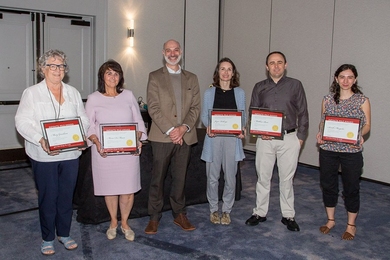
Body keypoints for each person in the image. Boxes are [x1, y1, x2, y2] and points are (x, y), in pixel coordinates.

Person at [15, 49, 89, 255]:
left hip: (70, 155)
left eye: (61, 65)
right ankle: (47, 237)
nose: (58, 70)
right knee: (48, 196)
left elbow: (83, 118)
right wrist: (40, 139)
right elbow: (22, 121)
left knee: (66, 196)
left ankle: (64, 233)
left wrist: (80, 135)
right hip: (43, 154)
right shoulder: (31, 93)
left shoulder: (73, 92)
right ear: (43, 68)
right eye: (52, 65)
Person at [245, 51, 308, 232]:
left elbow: (303, 112)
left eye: (279, 62)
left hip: (289, 138)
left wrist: (300, 138)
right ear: (267, 67)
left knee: (287, 179)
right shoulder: (259, 87)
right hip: (265, 140)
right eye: (272, 63)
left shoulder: (296, 85)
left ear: (285, 65)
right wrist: (258, 132)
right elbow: (253, 111)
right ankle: (259, 212)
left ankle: (288, 215)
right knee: (263, 177)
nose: (276, 66)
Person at [85, 60, 147, 241]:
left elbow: (139, 121)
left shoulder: (128, 96)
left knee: (127, 190)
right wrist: (96, 142)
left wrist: (138, 140)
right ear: (102, 76)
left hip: (127, 153)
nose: (113, 77)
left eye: (116, 73)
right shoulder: (93, 98)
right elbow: (89, 126)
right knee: (110, 189)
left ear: (120, 77)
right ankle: (113, 222)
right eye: (109, 73)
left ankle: (125, 223)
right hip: (104, 153)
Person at [144, 39, 200, 234]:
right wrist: (171, 130)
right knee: (157, 179)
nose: (173, 53)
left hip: (185, 136)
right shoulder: (154, 77)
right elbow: (153, 107)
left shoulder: (191, 78)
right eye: (169, 50)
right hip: (162, 137)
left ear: (181, 51)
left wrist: (183, 128)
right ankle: (154, 216)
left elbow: (195, 108)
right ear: (163, 52)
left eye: (176, 49)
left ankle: (179, 214)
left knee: (180, 178)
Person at [316, 64, 371, 240]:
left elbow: (368, 125)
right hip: (328, 149)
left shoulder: (362, 100)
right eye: (342, 77)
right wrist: (320, 132)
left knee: (351, 188)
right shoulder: (327, 99)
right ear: (336, 78)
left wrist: (359, 135)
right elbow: (323, 121)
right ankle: (330, 220)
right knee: (328, 185)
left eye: (349, 77)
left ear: (355, 79)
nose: (345, 81)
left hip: (351, 151)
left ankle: (351, 225)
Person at [200, 57, 246, 225]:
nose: (226, 72)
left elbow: (243, 115)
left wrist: (242, 128)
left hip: (232, 141)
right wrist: (208, 127)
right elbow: (204, 115)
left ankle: (226, 210)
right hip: (214, 139)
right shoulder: (209, 93)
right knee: (212, 178)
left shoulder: (240, 93)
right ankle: (213, 209)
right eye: (222, 69)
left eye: (229, 69)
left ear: (233, 73)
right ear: (217, 72)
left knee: (230, 178)